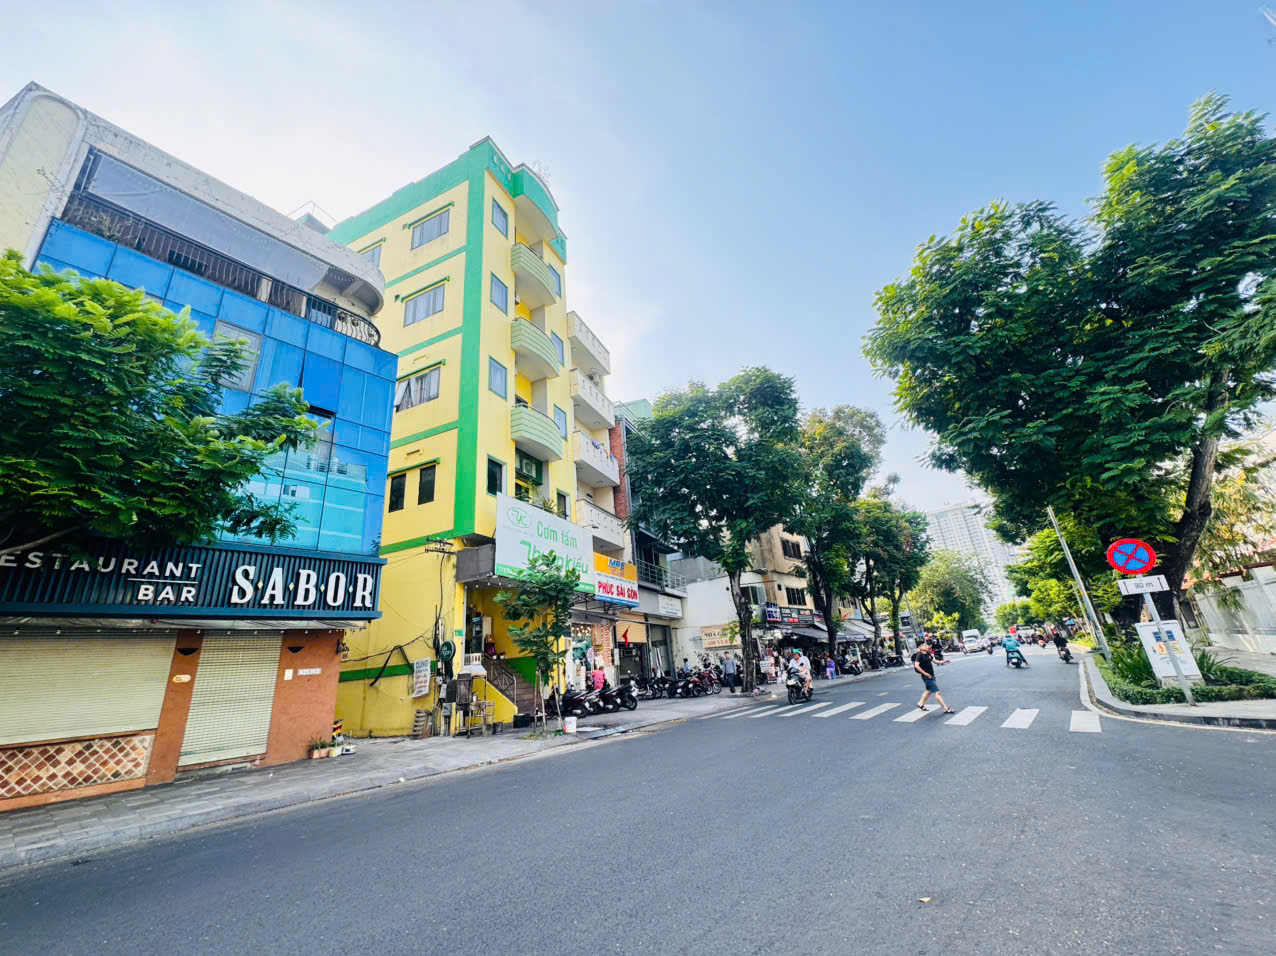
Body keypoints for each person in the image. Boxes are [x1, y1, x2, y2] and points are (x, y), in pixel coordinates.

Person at [913, 640, 955, 714]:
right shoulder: (919, 655)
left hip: (931, 675)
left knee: (928, 691)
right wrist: (925, 673)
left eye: (926, 645)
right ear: (920, 647)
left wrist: (943, 661)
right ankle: (946, 708)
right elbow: (916, 665)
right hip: (927, 677)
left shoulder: (928, 653)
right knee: (937, 692)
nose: (926, 646)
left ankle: (920, 704)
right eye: (924, 645)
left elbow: (935, 661)